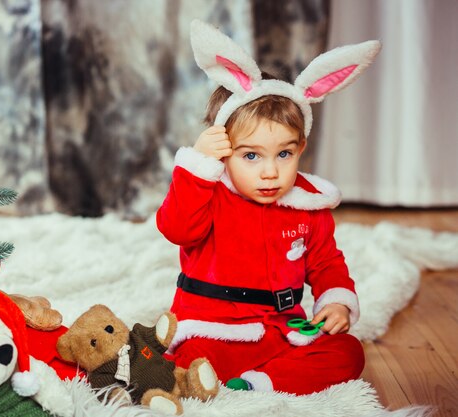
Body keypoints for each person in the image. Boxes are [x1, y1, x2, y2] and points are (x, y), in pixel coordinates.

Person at [156, 20, 381, 395]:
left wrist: (337, 301)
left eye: (284, 153)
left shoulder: (308, 205)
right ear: (224, 153)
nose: (271, 172)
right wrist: (196, 167)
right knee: (190, 357)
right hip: (216, 331)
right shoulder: (208, 193)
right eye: (250, 156)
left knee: (348, 353)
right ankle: (200, 378)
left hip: (283, 332)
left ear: (300, 148)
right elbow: (177, 229)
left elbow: (326, 262)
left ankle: (257, 384)